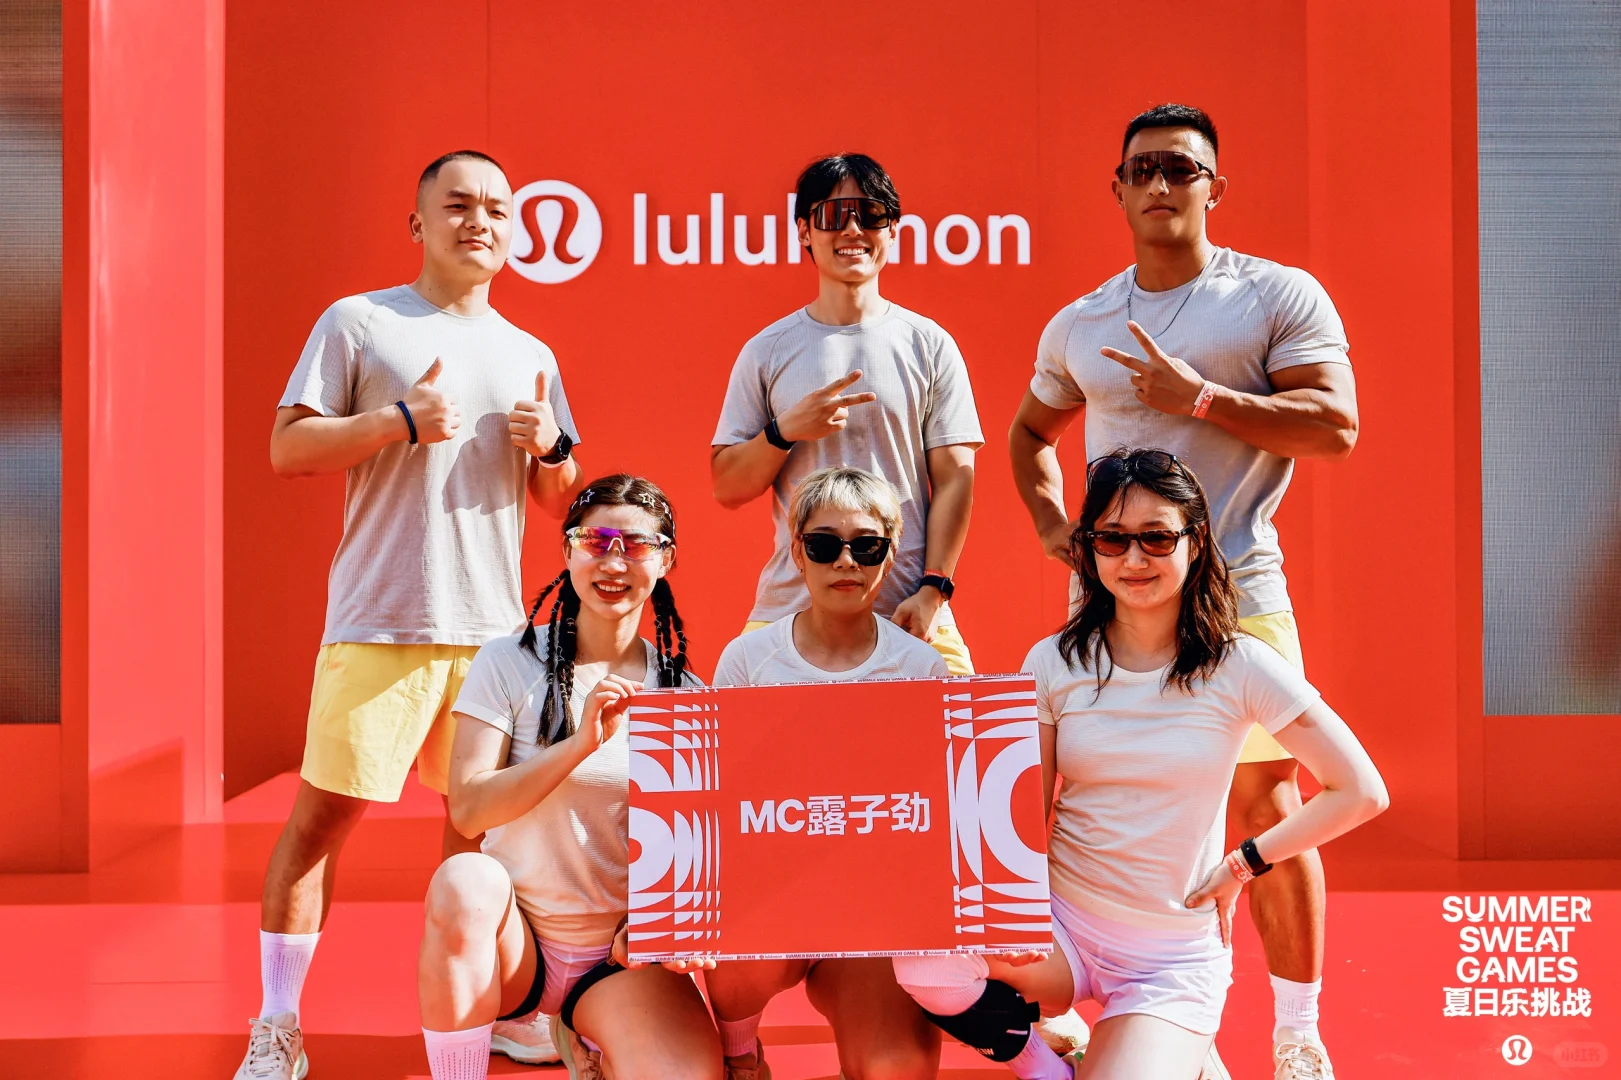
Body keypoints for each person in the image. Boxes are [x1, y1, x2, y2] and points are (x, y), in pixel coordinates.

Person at [1007, 103, 1360, 1078]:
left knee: (1266, 803)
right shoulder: (1081, 320)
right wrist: (1052, 526)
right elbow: (1028, 433)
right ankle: (1138, 1007)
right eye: (1142, 170)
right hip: (1114, 598)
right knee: (1080, 792)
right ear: (1117, 189)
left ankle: (1294, 1032)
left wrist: (1199, 397)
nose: (1160, 184)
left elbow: (1334, 425)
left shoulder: (1272, 295)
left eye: (1180, 168)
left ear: (1214, 186)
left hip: (1238, 590)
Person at [235, 150, 584, 1080]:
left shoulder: (531, 353)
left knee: (478, 837)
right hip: (379, 622)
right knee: (319, 825)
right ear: (418, 224)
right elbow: (288, 448)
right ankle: (277, 1027)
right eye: (458, 205)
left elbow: (558, 496)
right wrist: (397, 420)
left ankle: (491, 1014)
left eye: (497, 209)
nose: (480, 222)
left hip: (495, 638)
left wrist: (554, 452)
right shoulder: (360, 321)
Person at [894, 448, 1388, 1080]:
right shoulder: (1052, 662)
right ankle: (1044, 1068)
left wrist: (1243, 864)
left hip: (1168, 960)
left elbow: (1360, 790)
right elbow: (1022, 815)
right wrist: (1007, 911)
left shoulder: (1239, 665)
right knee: (924, 958)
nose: (1133, 559)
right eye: (1112, 538)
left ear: (1195, 541)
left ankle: (1176, 1048)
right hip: (1063, 931)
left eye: (1156, 538)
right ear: (1089, 548)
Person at [417, 474, 721, 1080]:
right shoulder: (508, 661)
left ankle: (584, 1034)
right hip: (519, 945)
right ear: (567, 551)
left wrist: (656, 925)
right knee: (463, 880)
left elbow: (695, 852)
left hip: (620, 958)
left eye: (638, 544)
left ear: (666, 560)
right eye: (596, 541)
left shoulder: (684, 693)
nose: (614, 561)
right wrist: (580, 745)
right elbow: (469, 810)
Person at [706, 467, 949, 1080]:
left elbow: (935, 814)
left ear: (890, 554)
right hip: (770, 905)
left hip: (872, 918)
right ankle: (739, 1051)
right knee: (735, 943)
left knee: (899, 1066)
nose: (845, 561)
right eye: (823, 544)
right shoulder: (747, 660)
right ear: (797, 552)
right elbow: (717, 800)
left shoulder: (921, 668)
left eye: (866, 545)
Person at [711, 153, 983, 676]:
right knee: (747, 727)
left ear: (894, 230)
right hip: (789, 608)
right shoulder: (768, 350)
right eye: (834, 216)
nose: (853, 230)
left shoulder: (929, 344)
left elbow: (956, 479)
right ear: (804, 231)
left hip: (910, 609)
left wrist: (934, 588)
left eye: (871, 214)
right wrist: (785, 431)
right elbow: (727, 486)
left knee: (959, 728)